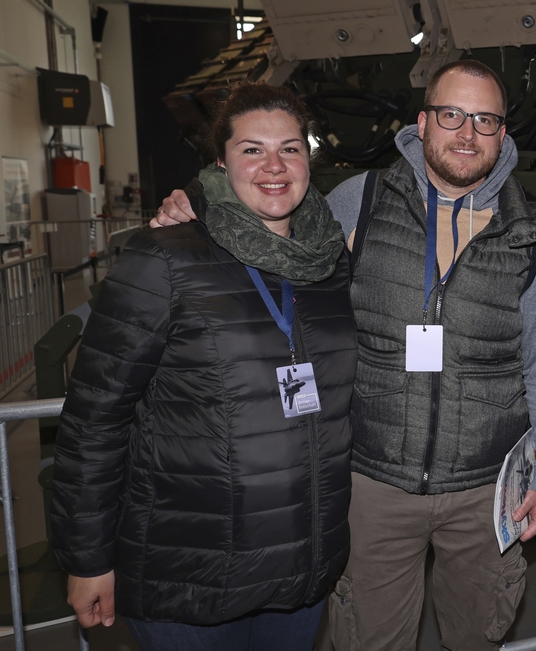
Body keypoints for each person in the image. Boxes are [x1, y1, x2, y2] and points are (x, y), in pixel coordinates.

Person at [151, 59, 536, 650]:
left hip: (485, 491)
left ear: (503, 133)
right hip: (373, 485)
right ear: (422, 123)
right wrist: (196, 207)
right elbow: (270, 224)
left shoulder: (532, 232)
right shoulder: (360, 201)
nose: (467, 132)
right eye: (451, 114)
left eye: (485, 119)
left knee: (477, 637)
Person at [50, 82, 357, 650]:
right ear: (220, 161)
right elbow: (95, 420)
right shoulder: (164, 257)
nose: (274, 165)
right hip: (188, 575)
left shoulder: (330, 263)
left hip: (299, 570)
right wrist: (87, 558)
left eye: (290, 148)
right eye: (252, 150)